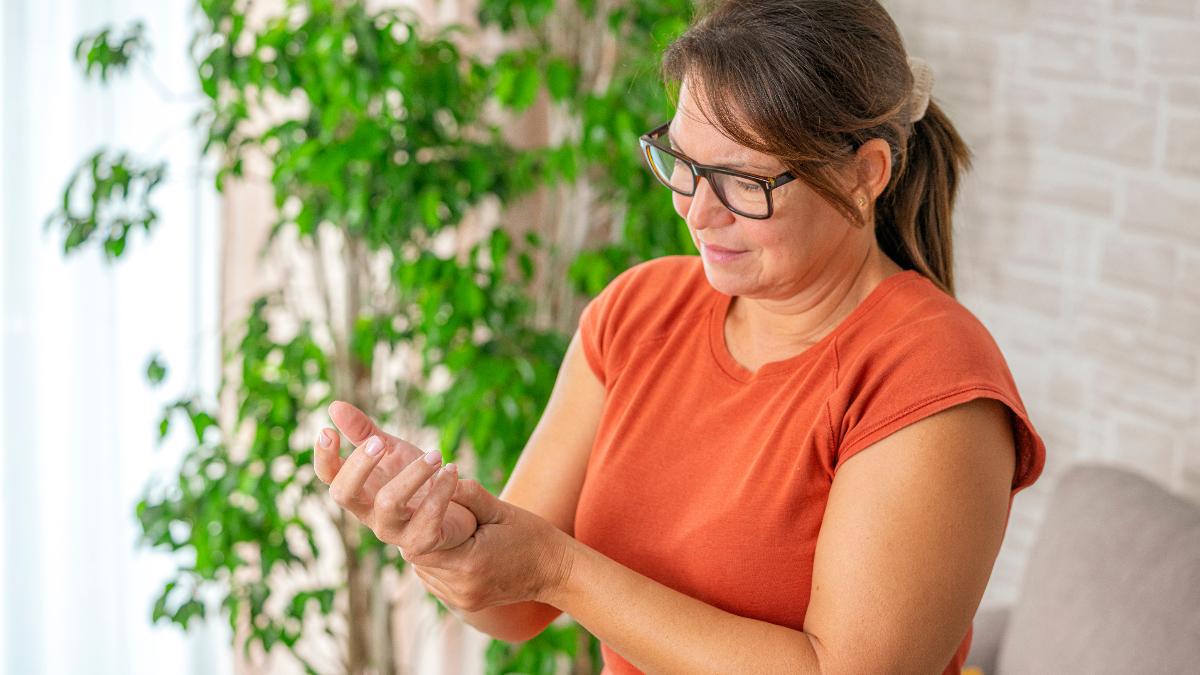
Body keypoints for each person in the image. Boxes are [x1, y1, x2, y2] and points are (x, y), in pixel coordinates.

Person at [313, 0, 1046, 673]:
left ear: (865, 176)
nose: (698, 213)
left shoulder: (931, 380)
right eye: (684, 165)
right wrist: (445, 541)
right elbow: (515, 605)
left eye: (742, 183)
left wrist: (560, 569)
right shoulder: (638, 311)